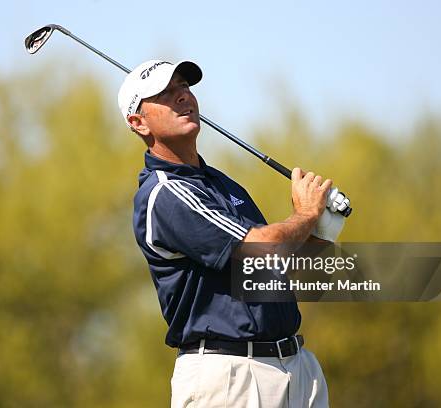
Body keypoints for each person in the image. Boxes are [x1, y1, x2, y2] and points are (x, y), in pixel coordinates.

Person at [118, 59, 349, 408]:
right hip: (232, 376)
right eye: (165, 93)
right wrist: (305, 213)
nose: (183, 96)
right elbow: (260, 249)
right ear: (138, 123)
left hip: (297, 368)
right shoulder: (165, 194)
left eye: (185, 87)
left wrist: (322, 234)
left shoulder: (223, 185)